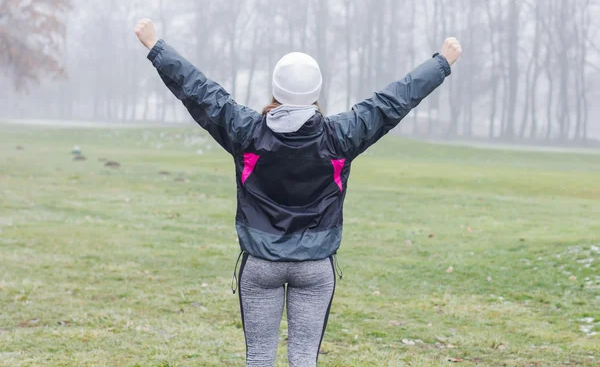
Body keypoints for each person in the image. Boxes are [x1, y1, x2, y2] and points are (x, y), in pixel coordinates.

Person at [134, 18, 461, 367]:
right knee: (304, 358)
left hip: (260, 263)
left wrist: (156, 47)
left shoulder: (246, 132)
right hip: (315, 267)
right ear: (316, 93)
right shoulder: (340, 136)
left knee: (259, 357)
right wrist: (440, 63)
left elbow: (201, 92)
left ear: (275, 89)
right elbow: (390, 102)